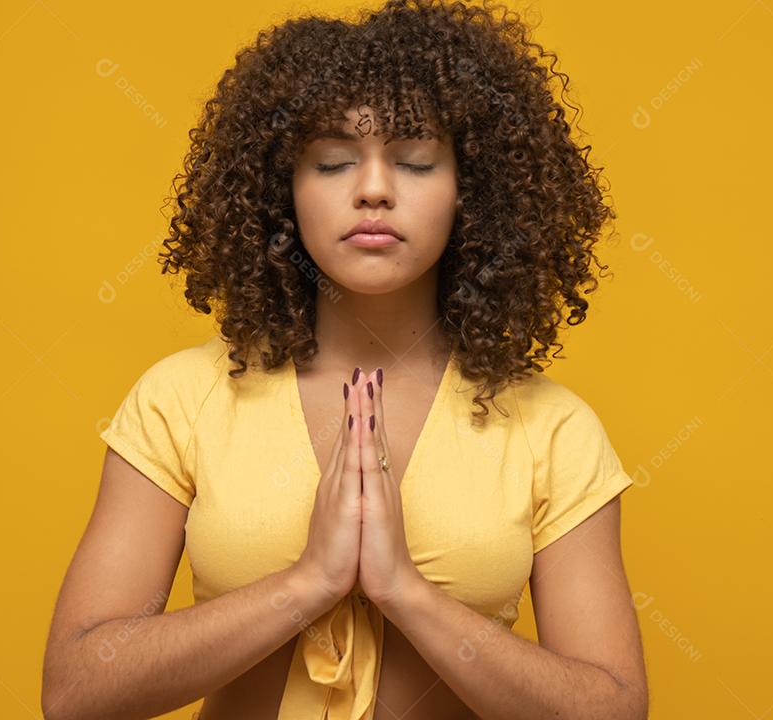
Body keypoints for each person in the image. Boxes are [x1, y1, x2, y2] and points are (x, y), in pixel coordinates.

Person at [41, 0, 648, 718]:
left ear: (470, 194)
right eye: (331, 161)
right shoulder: (182, 399)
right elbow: (78, 689)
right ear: (281, 190)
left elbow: (611, 710)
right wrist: (307, 583)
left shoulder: (553, 430)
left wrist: (405, 592)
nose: (373, 189)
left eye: (416, 160)